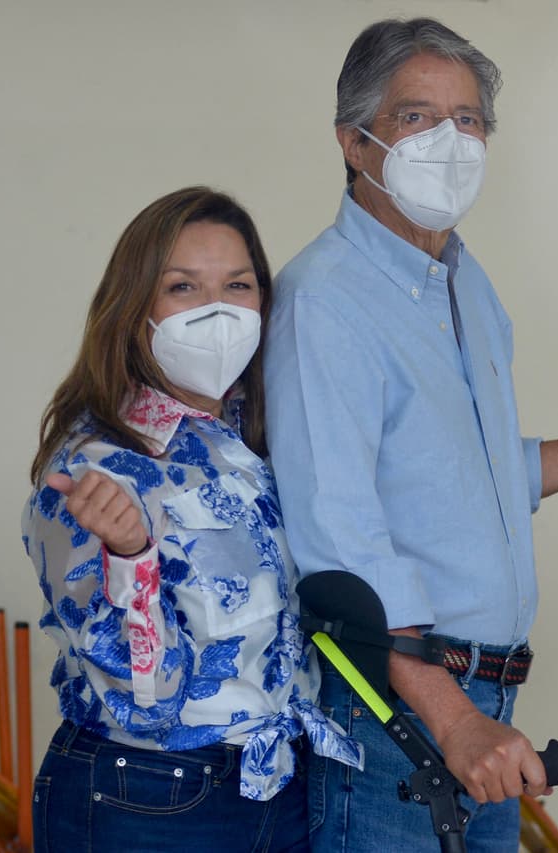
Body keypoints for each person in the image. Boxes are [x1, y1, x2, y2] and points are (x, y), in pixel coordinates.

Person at [263, 17, 558, 853]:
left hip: (487, 713)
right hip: (397, 715)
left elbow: (487, 483)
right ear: (355, 141)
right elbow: (340, 544)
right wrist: (453, 721)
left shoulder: (464, 284)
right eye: (417, 117)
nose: (449, 140)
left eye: (469, 120)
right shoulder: (326, 302)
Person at [22, 186, 361, 853]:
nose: (217, 310)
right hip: (149, 796)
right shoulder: (96, 466)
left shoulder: (252, 439)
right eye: (183, 286)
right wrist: (129, 552)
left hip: (279, 786)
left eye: (237, 284)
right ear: (135, 309)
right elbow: (146, 699)